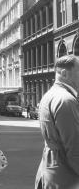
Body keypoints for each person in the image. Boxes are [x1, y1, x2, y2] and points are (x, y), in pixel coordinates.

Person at [35, 55, 79, 189]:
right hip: (65, 175)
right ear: (65, 73)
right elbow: (74, 147)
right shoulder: (66, 99)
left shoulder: (51, 94)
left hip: (51, 168)